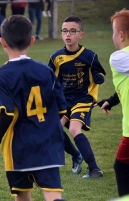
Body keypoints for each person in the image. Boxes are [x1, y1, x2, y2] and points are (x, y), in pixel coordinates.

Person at [0, 15, 67, 201]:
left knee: (22, 196)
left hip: (18, 149)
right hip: (48, 147)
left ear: (2, 42)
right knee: (53, 195)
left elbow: (7, 113)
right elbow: (62, 109)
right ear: (32, 40)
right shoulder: (46, 71)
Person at [48, 15, 106, 179]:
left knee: (74, 129)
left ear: (81, 34)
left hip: (83, 98)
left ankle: (95, 169)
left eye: (73, 31)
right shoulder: (56, 57)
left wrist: (98, 76)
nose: (68, 34)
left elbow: (100, 72)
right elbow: (49, 79)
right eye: (65, 31)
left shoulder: (89, 56)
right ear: (61, 34)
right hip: (64, 100)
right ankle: (76, 155)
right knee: (55, 130)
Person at [96, 8, 129, 197]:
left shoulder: (118, 57)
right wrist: (111, 101)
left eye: (113, 32)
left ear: (121, 34)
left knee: (121, 166)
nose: (112, 37)